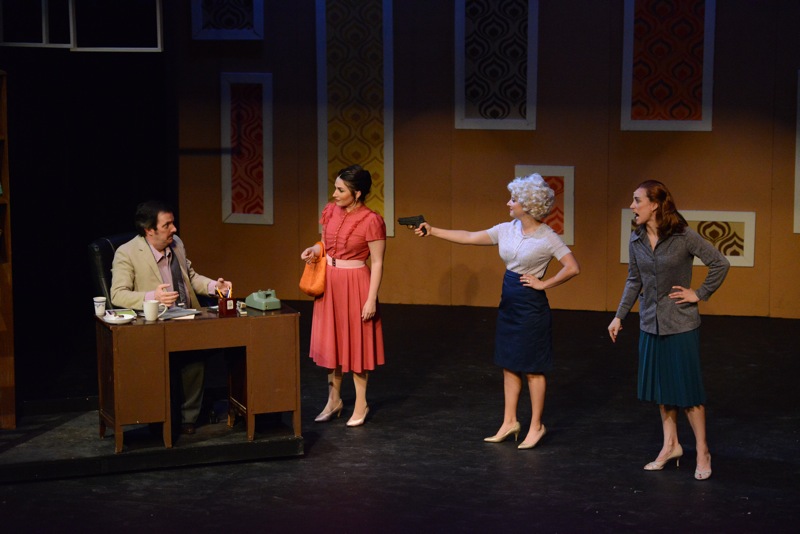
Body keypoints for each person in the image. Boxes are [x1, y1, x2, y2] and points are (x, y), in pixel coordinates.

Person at [413, 174, 580, 449]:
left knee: (533, 368)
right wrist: (433, 230)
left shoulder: (548, 237)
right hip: (509, 303)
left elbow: (572, 267)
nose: (508, 203)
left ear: (528, 205)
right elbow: (469, 236)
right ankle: (509, 421)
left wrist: (544, 283)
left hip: (531, 307)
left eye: (513, 200)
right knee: (509, 363)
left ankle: (536, 426)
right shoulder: (507, 229)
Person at [608, 180, 729, 481]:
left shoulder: (683, 236)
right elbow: (634, 279)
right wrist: (619, 316)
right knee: (662, 389)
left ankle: (702, 450)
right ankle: (671, 445)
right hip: (650, 323)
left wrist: (699, 293)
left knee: (688, 391)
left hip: (681, 323)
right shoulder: (636, 239)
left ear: (655, 205)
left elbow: (720, 263)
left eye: (637, 200)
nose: (632, 206)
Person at [110, 200, 232, 435]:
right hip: (155, 324)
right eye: (167, 225)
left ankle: (189, 418)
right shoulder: (127, 253)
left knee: (200, 352)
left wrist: (214, 287)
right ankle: (160, 416)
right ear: (149, 230)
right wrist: (152, 297)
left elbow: (190, 276)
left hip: (187, 318)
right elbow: (118, 294)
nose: (174, 229)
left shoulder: (176, 244)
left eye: (173, 223)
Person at [301, 165, 386, 427]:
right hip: (331, 283)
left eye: (340, 190)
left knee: (357, 346)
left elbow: (378, 262)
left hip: (356, 284)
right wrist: (314, 250)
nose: (334, 194)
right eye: (335, 188)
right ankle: (334, 400)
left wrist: (371, 299)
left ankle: (361, 403)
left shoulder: (371, 220)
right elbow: (325, 245)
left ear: (357, 193)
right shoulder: (330, 211)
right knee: (332, 343)